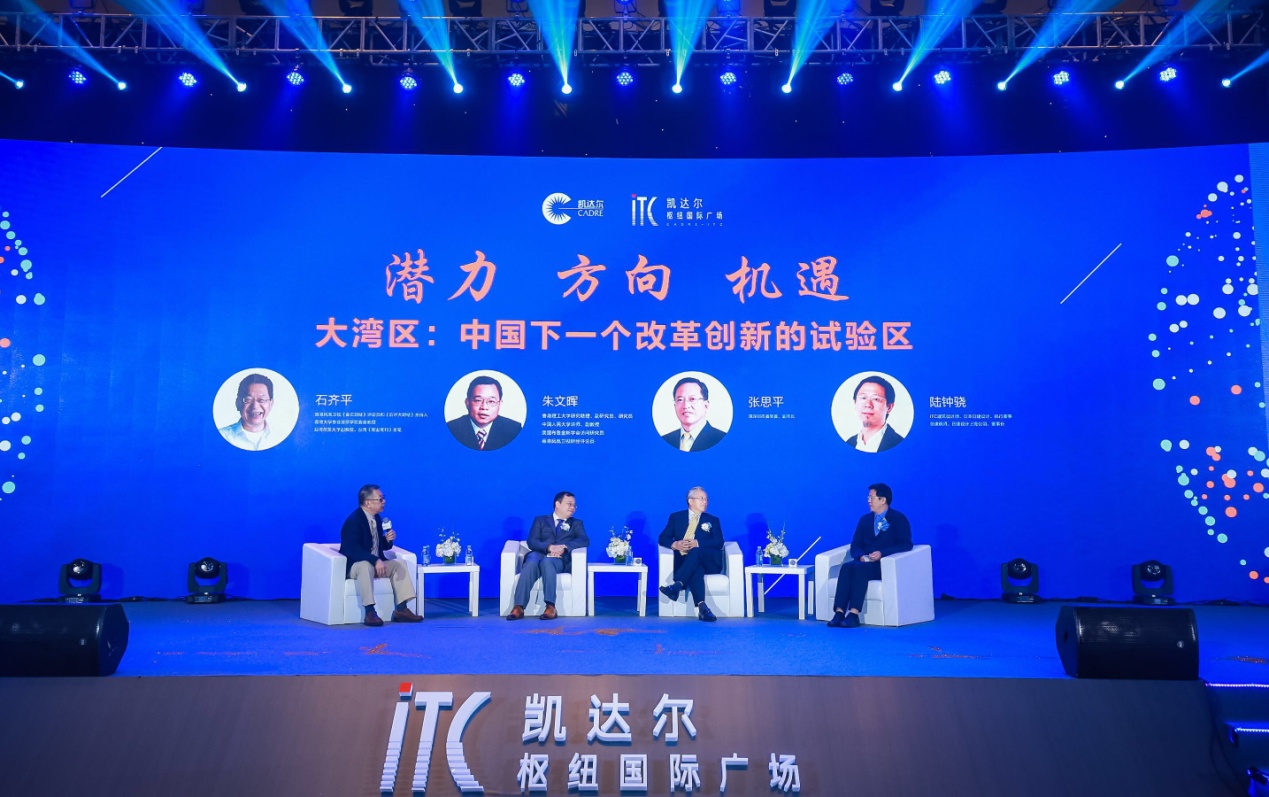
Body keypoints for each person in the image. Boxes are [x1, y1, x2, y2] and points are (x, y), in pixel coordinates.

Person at [827, 482, 913, 628]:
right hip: (864, 561)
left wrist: (882, 553)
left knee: (858, 569)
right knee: (847, 567)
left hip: (883, 564)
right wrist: (860, 555)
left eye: (871, 498)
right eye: (868, 498)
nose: (868, 501)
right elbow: (856, 544)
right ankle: (839, 612)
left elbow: (906, 544)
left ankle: (854, 614)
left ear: (883, 500)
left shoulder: (898, 518)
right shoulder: (865, 520)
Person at [339, 484, 422, 626]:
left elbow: (376, 546)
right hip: (356, 566)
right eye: (380, 499)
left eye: (383, 498)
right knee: (365, 565)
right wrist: (375, 560)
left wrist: (387, 540)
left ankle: (402, 609)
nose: (384, 501)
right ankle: (370, 612)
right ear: (368, 502)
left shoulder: (376, 518)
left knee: (399, 564)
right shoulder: (353, 521)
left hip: (374, 563)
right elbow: (353, 550)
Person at [507, 491, 589, 620]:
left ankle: (550, 606)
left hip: (559, 559)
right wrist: (549, 547)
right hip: (539, 554)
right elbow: (532, 541)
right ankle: (519, 607)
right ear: (557, 504)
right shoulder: (540, 520)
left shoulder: (576, 523)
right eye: (569, 504)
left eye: (574, 505)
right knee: (531, 562)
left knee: (547, 562)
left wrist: (564, 547)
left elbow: (584, 540)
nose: (572, 507)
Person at [657, 486, 725, 621]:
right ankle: (703, 608)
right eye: (701, 498)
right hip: (685, 562)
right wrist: (675, 544)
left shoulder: (712, 520)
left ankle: (677, 585)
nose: (705, 502)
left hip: (710, 562)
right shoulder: (676, 517)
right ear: (690, 501)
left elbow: (719, 542)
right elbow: (663, 538)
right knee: (696, 568)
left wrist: (697, 543)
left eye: (706, 499)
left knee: (696, 551)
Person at [447, 375, 523, 451]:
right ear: (467, 403)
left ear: (500, 404)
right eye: (478, 400)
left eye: (491, 401)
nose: (484, 407)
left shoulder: (513, 430)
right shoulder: (452, 428)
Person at [660, 377, 727, 453]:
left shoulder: (721, 439)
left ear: (706, 405)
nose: (686, 405)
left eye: (692, 399)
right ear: (675, 406)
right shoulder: (665, 440)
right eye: (680, 400)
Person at [845, 376, 905, 453]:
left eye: (876, 399)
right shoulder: (850, 442)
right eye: (863, 398)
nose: (868, 404)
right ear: (855, 403)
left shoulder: (900, 444)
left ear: (889, 407)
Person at [219, 373, 277, 451]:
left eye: (262, 400)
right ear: (238, 403)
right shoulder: (222, 436)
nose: (255, 406)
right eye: (248, 400)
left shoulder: (279, 438)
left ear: (271, 404)